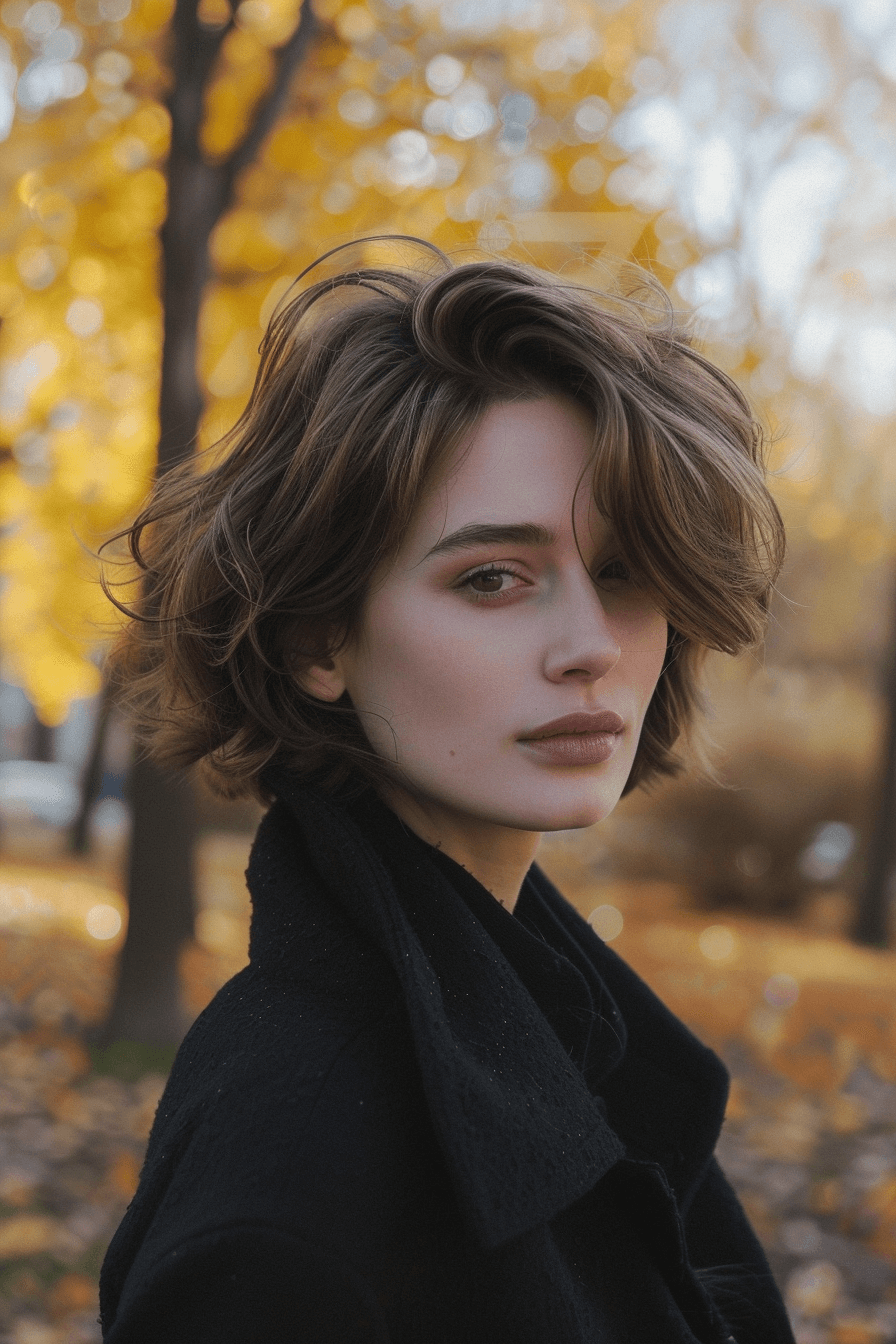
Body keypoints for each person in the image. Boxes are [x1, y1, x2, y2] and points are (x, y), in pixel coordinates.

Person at [98, 234, 793, 1343]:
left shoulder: (569, 1035)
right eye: (490, 578)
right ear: (319, 638)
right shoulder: (290, 1186)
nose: (587, 646)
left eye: (619, 572)